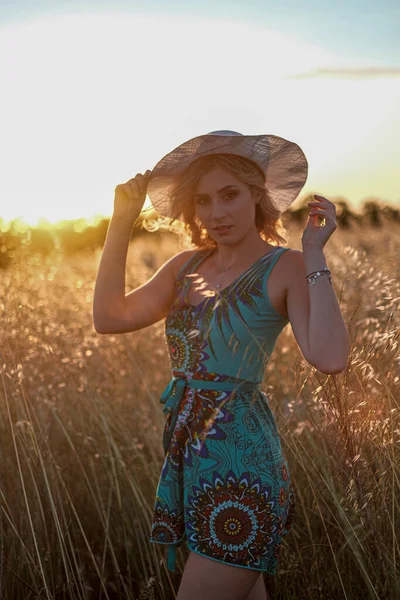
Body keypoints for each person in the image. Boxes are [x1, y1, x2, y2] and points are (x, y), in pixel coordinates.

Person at [93, 130, 351, 600]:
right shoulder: (184, 268)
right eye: (204, 200)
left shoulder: (286, 266)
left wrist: (314, 253)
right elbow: (109, 318)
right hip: (190, 465)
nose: (217, 213)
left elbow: (330, 357)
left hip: (243, 471)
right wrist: (121, 221)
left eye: (230, 195)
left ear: (256, 195)